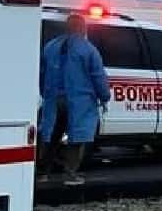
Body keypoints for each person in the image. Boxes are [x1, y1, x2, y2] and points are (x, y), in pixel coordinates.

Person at [39, 14, 111, 185]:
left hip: (54, 100)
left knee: (51, 136)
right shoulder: (88, 50)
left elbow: (42, 72)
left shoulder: (51, 47)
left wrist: (45, 93)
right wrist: (105, 96)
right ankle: (70, 175)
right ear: (82, 28)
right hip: (80, 101)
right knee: (77, 137)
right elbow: (98, 76)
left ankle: (42, 173)